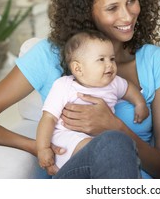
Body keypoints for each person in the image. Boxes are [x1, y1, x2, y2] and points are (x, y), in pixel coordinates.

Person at [0, 0, 160, 179]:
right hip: (74, 177)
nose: (127, 16)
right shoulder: (48, 56)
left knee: (114, 141)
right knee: (113, 142)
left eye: (132, 1)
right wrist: (36, 146)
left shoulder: (157, 62)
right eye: (112, 8)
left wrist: (115, 127)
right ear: (86, 11)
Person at [37, 30, 149, 170]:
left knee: (115, 147)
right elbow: (48, 118)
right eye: (101, 59)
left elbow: (128, 89)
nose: (109, 65)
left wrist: (140, 103)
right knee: (109, 148)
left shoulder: (113, 83)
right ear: (78, 68)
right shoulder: (64, 86)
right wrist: (43, 148)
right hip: (67, 142)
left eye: (112, 59)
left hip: (101, 145)